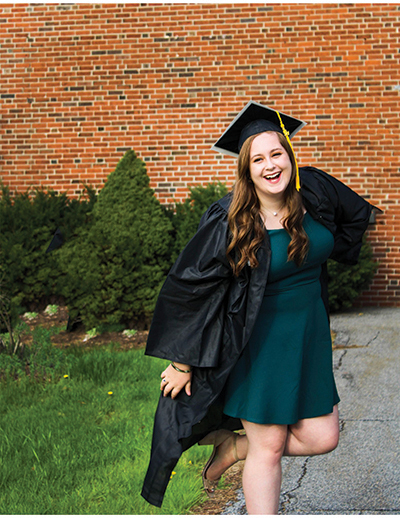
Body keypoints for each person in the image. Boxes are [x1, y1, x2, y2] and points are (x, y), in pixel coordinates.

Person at [141, 101, 374, 513]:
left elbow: (352, 217)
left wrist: (333, 247)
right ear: (247, 170)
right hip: (259, 343)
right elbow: (192, 288)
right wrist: (182, 362)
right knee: (269, 449)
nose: (270, 165)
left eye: (277, 153)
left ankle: (234, 445)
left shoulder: (314, 192)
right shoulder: (230, 221)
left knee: (323, 437)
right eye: (258, 158)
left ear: (290, 157)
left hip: (309, 338)